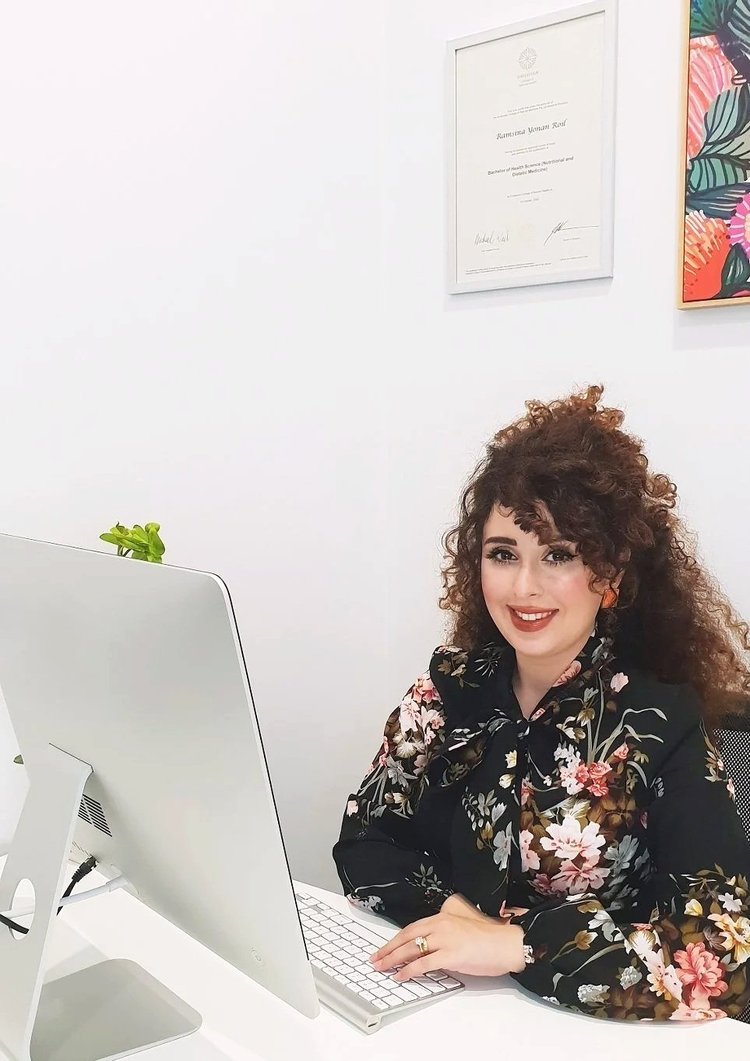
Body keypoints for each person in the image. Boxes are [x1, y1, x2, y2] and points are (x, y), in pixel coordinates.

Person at [333, 385, 750, 1022]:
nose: (524, 587)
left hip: (591, 1029)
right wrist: (451, 916)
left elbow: (726, 953)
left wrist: (518, 944)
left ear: (610, 577)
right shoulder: (448, 691)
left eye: (558, 555)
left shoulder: (659, 722)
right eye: (504, 555)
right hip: (448, 1010)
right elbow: (366, 840)